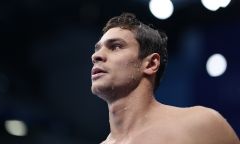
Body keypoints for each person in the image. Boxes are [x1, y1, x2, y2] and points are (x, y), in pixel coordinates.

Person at [91, 12, 239, 144]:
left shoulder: (198, 124)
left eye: (116, 46)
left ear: (151, 63)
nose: (96, 56)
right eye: (98, 49)